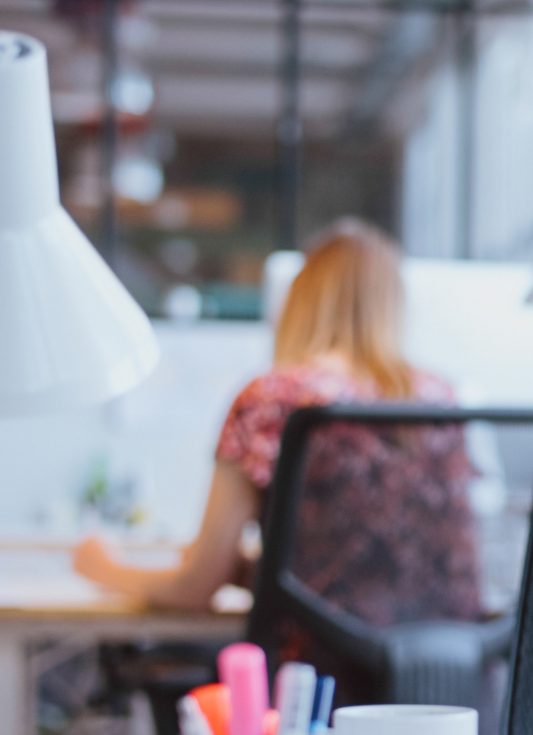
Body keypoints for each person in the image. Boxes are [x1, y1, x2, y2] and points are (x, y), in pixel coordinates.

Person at [74, 221, 483, 630]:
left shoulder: (273, 399)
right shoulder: (440, 397)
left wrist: (102, 566)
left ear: (301, 301)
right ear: (394, 306)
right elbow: (382, 569)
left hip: (315, 680)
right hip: (447, 677)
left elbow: (196, 586)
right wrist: (259, 571)